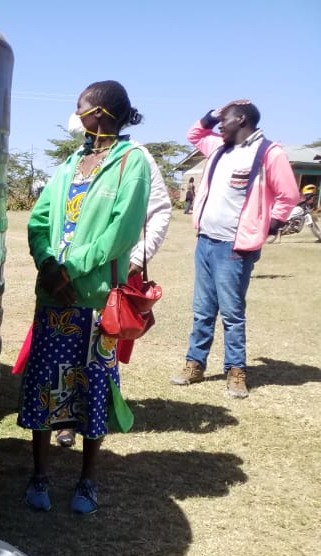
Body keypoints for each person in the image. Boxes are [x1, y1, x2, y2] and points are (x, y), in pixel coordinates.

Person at [20, 80, 150, 514]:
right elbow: (39, 220)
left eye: (80, 108)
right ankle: (39, 474)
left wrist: (71, 269)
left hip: (95, 301)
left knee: (94, 387)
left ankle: (87, 481)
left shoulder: (131, 164)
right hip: (55, 298)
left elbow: (122, 232)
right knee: (43, 383)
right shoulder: (69, 164)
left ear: (101, 114)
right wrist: (47, 264)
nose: (76, 116)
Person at [53, 119, 172, 448]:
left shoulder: (136, 158)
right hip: (70, 271)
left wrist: (136, 258)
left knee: (97, 351)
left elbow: (159, 209)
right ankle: (64, 419)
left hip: (110, 273)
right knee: (63, 349)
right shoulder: (78, 157)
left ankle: (90, 417)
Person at [170, 100, 299, 398]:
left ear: (241, 119)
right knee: (202, 310)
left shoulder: (268, 152)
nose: (218, 126)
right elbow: (195, 135)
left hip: (234, 248)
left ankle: (236, 371)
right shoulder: (218, 147)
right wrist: (213, 114)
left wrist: (270, 224)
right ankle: (195, 364)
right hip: (205, 242)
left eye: (224, 120)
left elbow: (288, 195)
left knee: (231, 312)